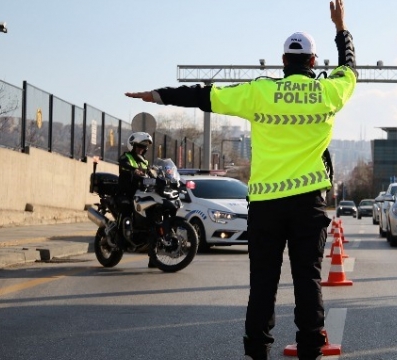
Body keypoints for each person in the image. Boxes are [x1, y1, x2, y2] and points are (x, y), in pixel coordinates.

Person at [125, 1, 356, 357]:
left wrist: (158, 96)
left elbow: (204, 95)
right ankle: (311, 350)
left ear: (283, 62)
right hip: (308, 204)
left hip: (265, 206)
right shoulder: (329, 93)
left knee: (263, 284)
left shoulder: (259, 91)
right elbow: (349, 68)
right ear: (313, 62)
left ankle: (257, 351)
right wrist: (341, 27)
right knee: (307, 281)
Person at [117, 131, 158, 268]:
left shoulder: (145, 161)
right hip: (126, 192)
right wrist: (134, 170)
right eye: (139, 146)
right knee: (126, 210)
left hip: (141, 194)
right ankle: (120, 240)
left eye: (144, 147)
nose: (142, 149)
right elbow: (123, 163)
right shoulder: (126, 157)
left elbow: (152, 172)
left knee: (152, 222)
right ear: (132, 146)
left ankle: (153, 257)